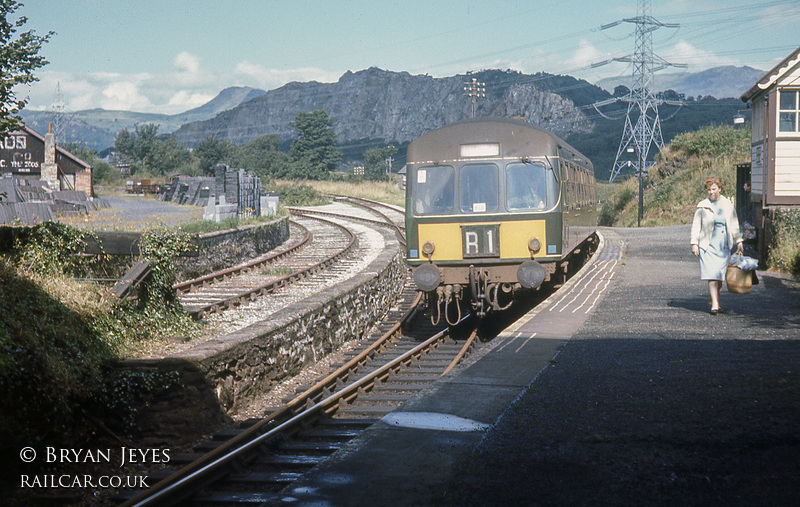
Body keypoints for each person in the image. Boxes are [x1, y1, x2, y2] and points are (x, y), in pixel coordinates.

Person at [690, 177, 743, 314]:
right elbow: (696, 225)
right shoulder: (702, 205)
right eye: (709, 189)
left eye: (714, 189)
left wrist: (739, 241)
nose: (711, 192)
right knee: (712, 274)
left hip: (723, 243)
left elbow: (733, 223)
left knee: (719, 275)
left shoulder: (727, 205)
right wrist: (694, 243)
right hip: (707, 244)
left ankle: (716, 301)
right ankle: (714, 304)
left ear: (720, 189)